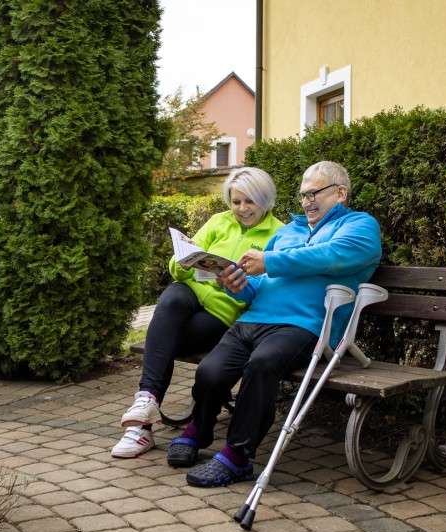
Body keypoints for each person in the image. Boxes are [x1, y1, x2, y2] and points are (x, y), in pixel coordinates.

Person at [166, 161, 382, 487]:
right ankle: (200, 427)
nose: (307, 201)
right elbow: (258, 284)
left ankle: (237, 457)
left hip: (305, 325)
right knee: (210, 371)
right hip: (254, 319)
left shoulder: (359, 226)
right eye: (302, 195)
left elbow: (335, 255)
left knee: (262, 364)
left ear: (340, 193)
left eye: (314, 193)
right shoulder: (287, 232)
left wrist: (269, 261)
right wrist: (236, 283)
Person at [111, 167, 285, 458]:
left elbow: (267, 289)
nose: (241, 209)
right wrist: (185, 260)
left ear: (266, 200)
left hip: (221, 314)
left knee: (163, 337)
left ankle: (140, 429)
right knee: (171, 298)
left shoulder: (278, 234)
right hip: (188, 296)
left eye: (249, 202)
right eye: (236, 201)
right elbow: (176, 268)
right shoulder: (219, 221)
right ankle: (146, 401)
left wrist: (235, 284)